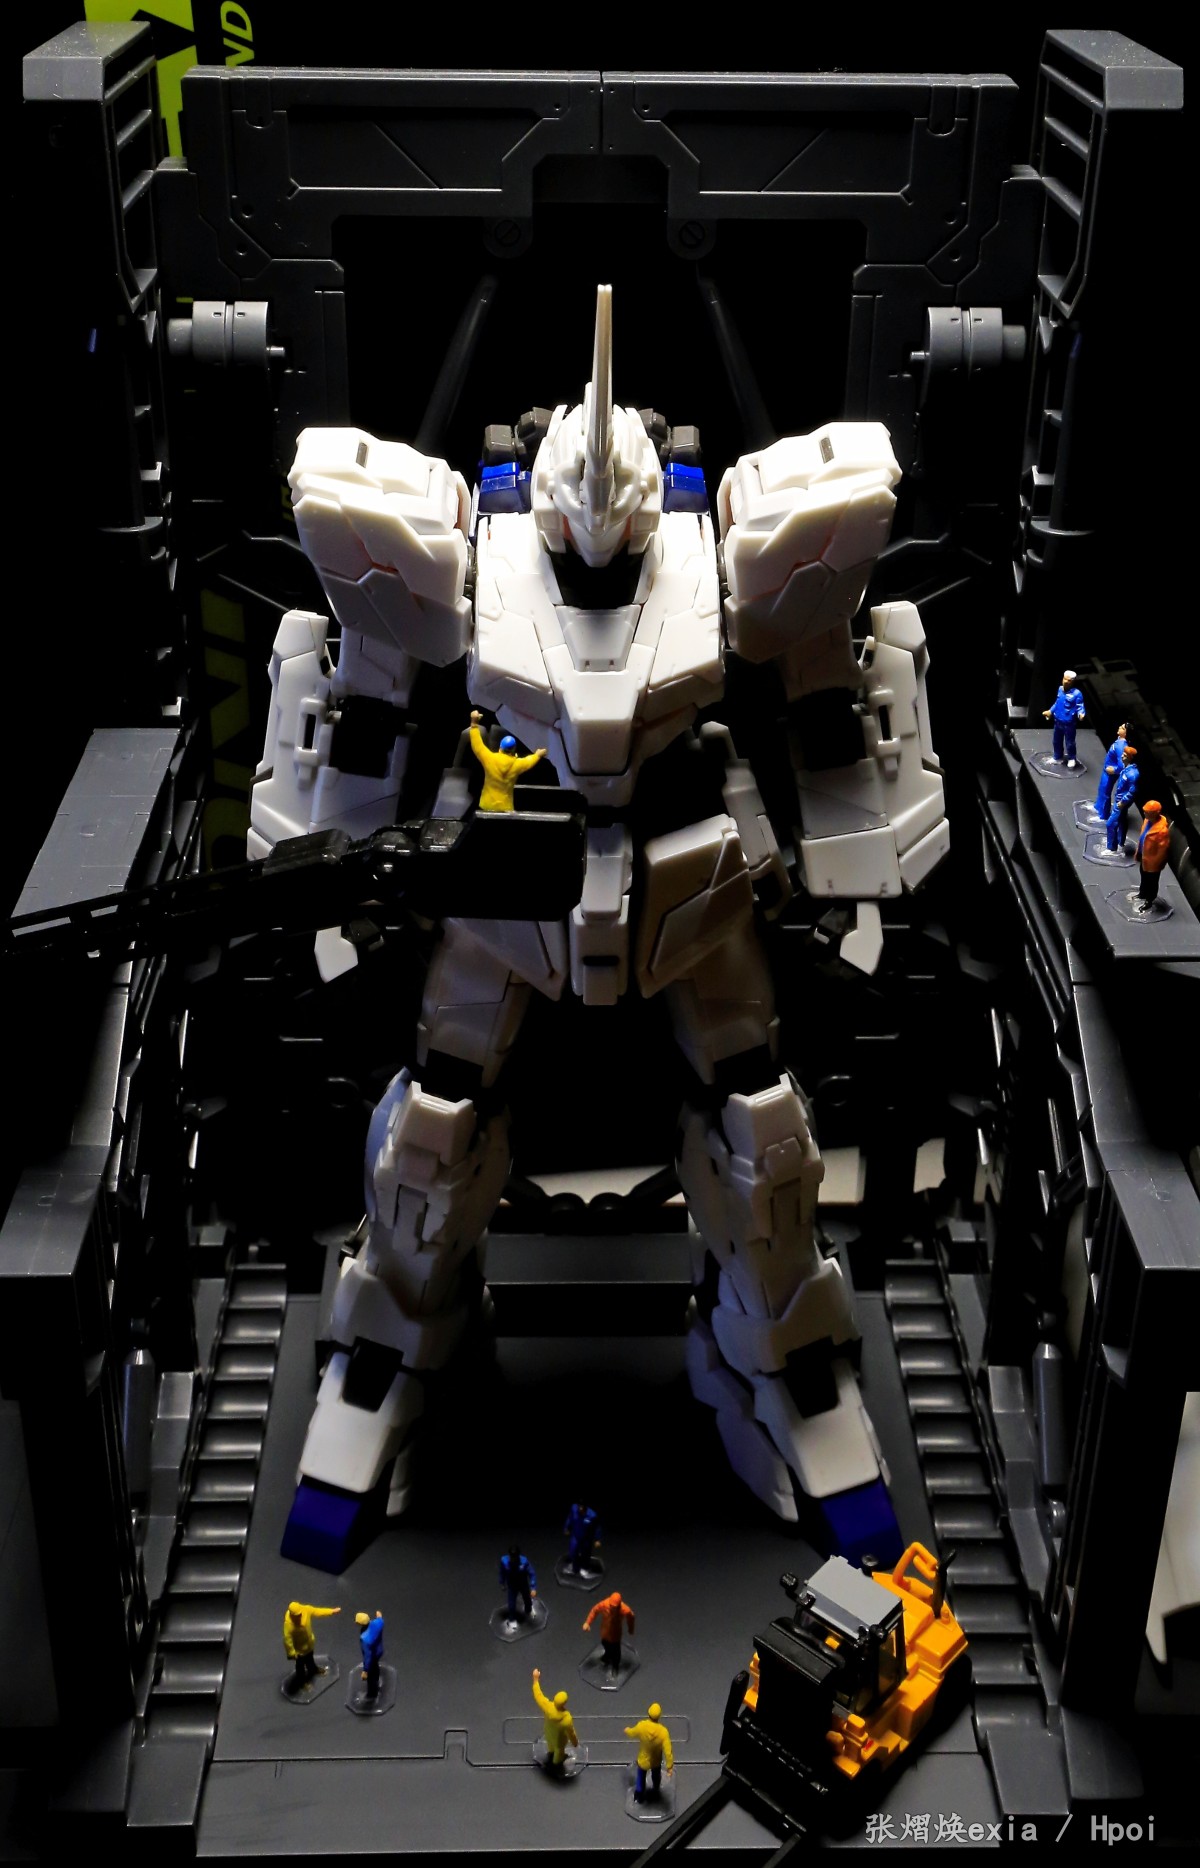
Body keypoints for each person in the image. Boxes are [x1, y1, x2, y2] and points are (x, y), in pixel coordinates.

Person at [468, 710, 546, 811]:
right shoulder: (518, 764)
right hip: (506, 807)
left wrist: (474, 724)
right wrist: (537, 755)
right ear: (514, 750)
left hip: (487, 805)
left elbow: (477, 746)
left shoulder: (490, 758)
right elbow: (529, 761)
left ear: (500, 747)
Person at [283, 1600, 340, 1690]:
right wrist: (291, 1653)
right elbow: (287, 1640)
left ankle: (313, 1669)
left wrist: (331, 1611)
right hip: (299, 1651)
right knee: (300, 1667)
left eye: (299, 1614)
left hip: (309, 1644)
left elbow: (317, 1611)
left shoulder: (305, 1610)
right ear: (292, 1615)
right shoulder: (289, 1625)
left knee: (310, 1659)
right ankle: (302, 1682)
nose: (299, 1616)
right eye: (297, 1615)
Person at [625, 1702, 674, 1802]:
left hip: (643, 1760)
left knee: (640, 1778)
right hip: (656, 1761)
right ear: (659, 1716)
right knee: (656, 1776)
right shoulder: (663, 1732)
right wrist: (669, 1766)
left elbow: (632, 1733)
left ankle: (639, 1796)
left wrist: (627, 1730)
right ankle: (656, 1789)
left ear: (649, 1713)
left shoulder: (642, 1726)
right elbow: (668, 1752)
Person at [531, 1668, 578, 1770]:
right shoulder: (566, 1719)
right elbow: (571, 1732)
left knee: (551, 1745)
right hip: (559, 1740)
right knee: (559, 1751)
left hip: (548, 1732)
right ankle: (557, 1763)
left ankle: (551, 1753)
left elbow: (538, 1695)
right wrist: (575, 1742)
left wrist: (535, 1679)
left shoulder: (548, 1706)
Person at [583, 1590, 635, 1680]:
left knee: (616, 1650)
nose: (613, 1608)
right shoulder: (604, 1604)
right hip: (605, 1630)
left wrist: (630, 1629)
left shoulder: (625, 1609)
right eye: (611, 1606)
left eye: (615, 1607)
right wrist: (587, 1622)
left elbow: (631, 1618)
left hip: (615, 1633)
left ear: (619, 1605)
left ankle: (615, 1666)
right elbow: (594, 1610)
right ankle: (607, 1656)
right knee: (605, 1643)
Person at [1042, 669, 1086, 767]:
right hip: (1058, 722)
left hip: (1069, 724)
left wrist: (1081, 714)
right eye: (1064, 679)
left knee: (1069, 742)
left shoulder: (1077, 694)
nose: (1065, 681)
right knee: (1056, 741)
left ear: (1072, 682)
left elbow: (1080, 706)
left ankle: (1072, 758)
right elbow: (1057, 703)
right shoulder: (1060, 690)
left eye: (1068, 680)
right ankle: (1057, 757)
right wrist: (1050, 711)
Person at [1134, 801, 1170, 912]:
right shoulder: (1147, 821)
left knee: (1152, 882)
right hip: (1143, 856)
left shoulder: (1162, 831)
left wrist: (1157, 864)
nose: (1144, 813)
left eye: (1147, 812)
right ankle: (1142, 893)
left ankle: (1149, 901)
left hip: (1153, 862)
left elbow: (1163, 851)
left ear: (1155, 813)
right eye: (1144, 811)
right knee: (1143, 877)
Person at [1105, 744, 1140, 852]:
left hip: (1121, 802)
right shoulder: (1126, 769)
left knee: (1110, 824)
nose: (1122, 756)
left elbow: (1132, 791)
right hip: (1119, 799)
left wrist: (1123, 802)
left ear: (1130, 758)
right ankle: (1120, 842)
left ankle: (1111, 848)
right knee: (1122, 820)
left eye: (1124, 755)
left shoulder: (1133, 774)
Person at [1093, 722, 1128, 819]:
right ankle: (1098, 807)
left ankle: (1103, 814)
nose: (1119, 727)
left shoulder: (1121, 746)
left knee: (1105, 792)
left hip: (1110, 773)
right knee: (1102, 789)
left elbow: (1122, 764)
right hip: (1106, 771)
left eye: (1122, 728)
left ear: (1126, 733)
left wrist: (1114, 770)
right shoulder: (1119, 741)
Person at [500, 1546, 537, 1622]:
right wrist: (502, 1583)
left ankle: (529, 1610)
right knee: (511, 1604)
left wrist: (533, 1587)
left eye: (515, 1557)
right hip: (512, 1586)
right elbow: (502, 1573)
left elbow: (532, 1573)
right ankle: (512, 1620)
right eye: (511, 1557)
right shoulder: (504, 1561)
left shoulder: (524, 1562)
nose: (513, 1559)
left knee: (527, 1599)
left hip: (523, 1584)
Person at [563, 1502, 601, 1575]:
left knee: (585, 1553)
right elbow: (570, 1518)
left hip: (586, 1538)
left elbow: (597, 1527)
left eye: (582, 1507)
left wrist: (597, 1539)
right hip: (575, 1535)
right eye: (579, 1506)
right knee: (573, 1551)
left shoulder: (592, 1515)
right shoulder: (574, 1508)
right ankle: (574, 1568)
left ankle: (585, 1569)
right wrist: (566, 1528)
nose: (580, 1509)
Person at [356, 1609, 385, 1700]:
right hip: (379, 1651)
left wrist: (365, 1670)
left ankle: (372, 1695)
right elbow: (380, 1620)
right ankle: (377, 1679)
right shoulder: (377, 1623)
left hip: (372, 1656)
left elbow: (368, 1656)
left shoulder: (365, 1639)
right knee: (376, 1667)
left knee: (371, 1676)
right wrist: (379, 1616)